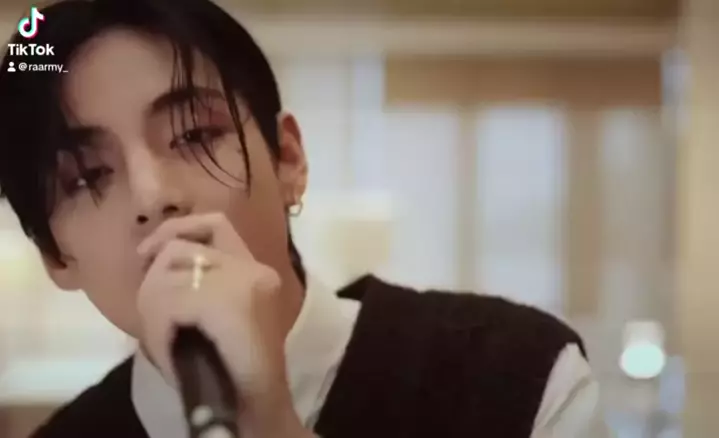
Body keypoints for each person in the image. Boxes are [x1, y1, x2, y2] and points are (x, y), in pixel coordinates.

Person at [0, 0, 600, 437]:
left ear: (288, 160)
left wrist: (269, 422)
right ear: (56, 256)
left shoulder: (514, 377)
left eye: (194, 135)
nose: (153, 196)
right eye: (87, 176)